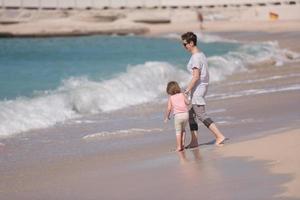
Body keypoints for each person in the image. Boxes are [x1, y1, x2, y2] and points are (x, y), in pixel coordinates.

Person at [181, 32, 226, 147]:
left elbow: (196, 76)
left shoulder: (196, 57)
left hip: (198, 89)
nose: (184, 46)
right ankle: (194, 141)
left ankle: (219, 136)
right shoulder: (201, 54)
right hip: (199, 87)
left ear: (191, 43)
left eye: (185, 44)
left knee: (201, 114)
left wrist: (187, 90)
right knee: (191, 114)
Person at [164, 81, 190, 152]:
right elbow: (188, 103)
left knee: (178, 131)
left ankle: (179, 147)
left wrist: (167, 117)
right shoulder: (182, 94)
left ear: (169, 90)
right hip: (185, 114)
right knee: (183, 130)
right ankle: (183, 144)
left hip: (178, 116)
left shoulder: (171, 98)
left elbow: (169, 108)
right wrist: (186, 96)